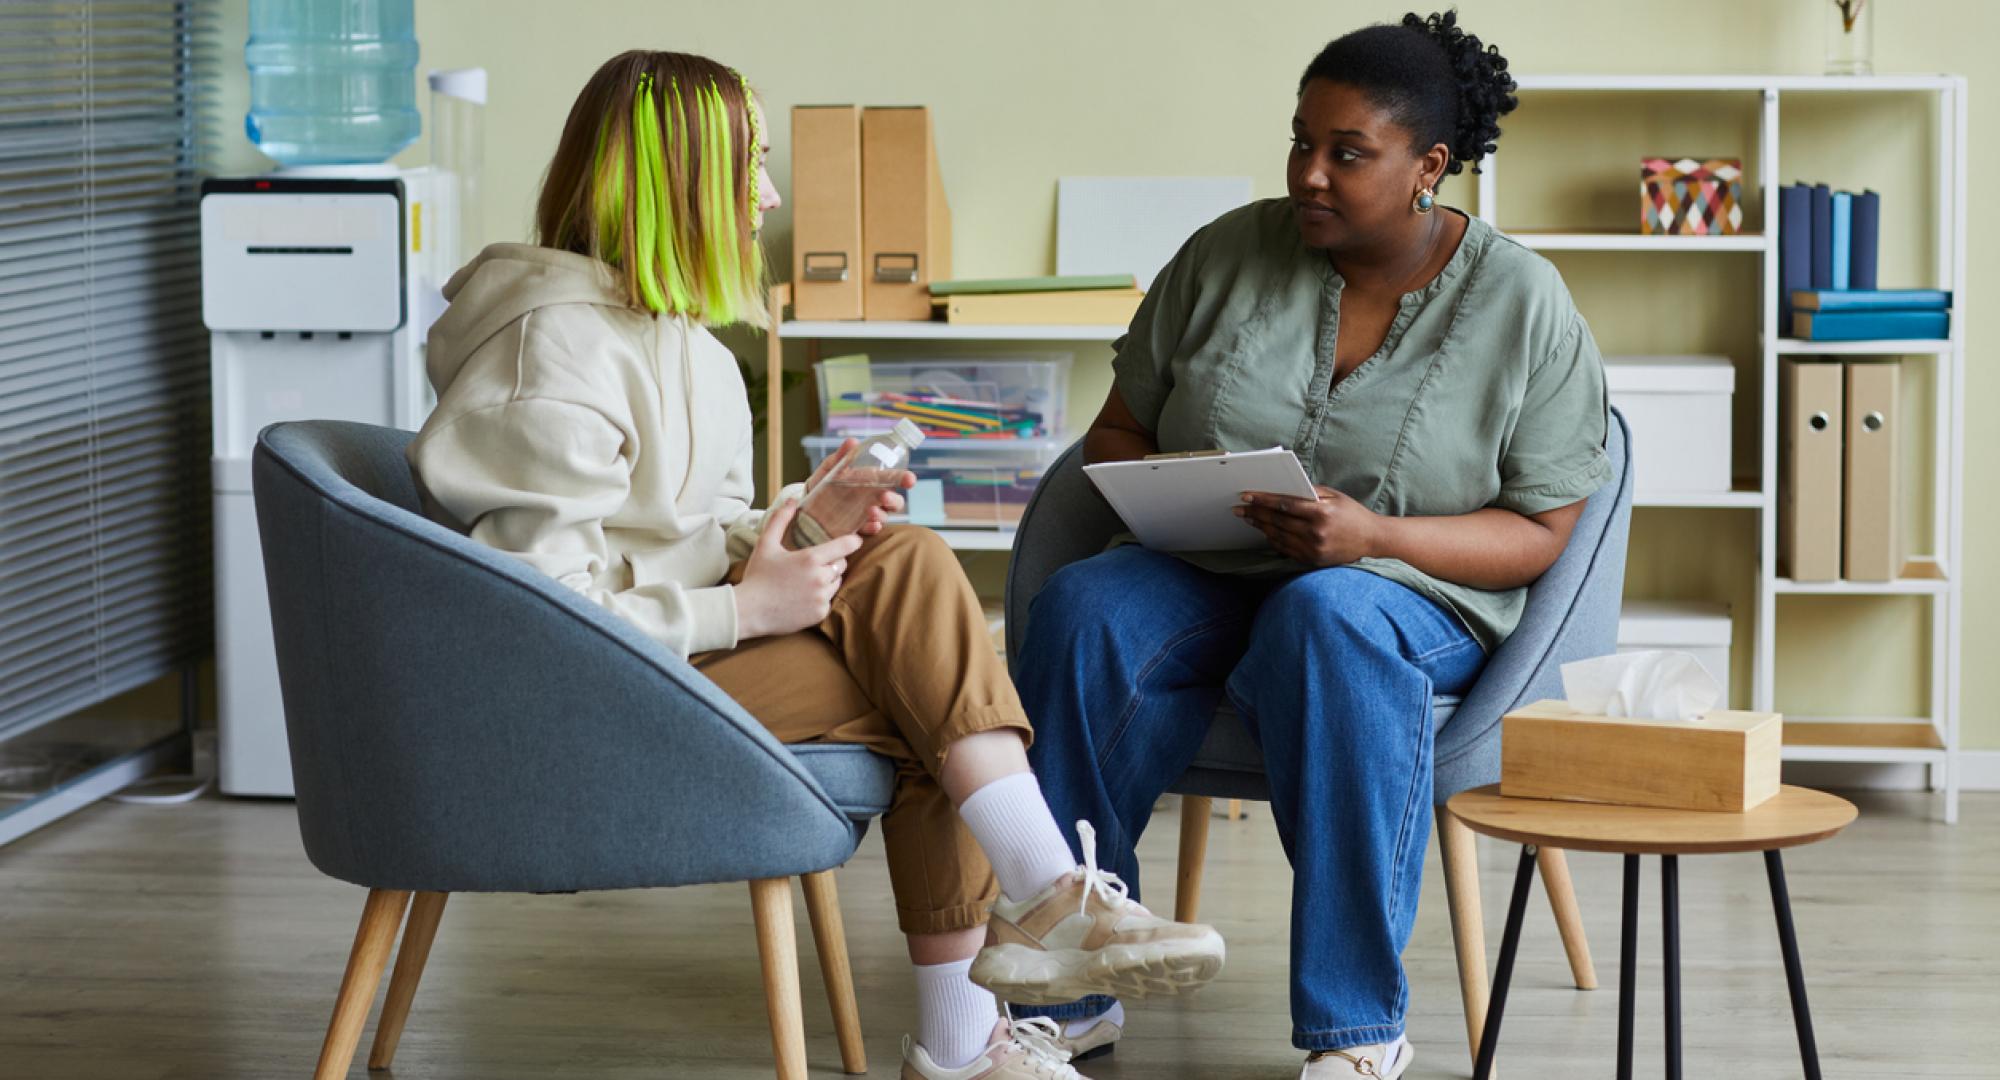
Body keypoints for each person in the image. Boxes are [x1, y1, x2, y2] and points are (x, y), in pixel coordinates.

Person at [404, 49, 1223, 1080]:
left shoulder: (685, 344)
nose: (771, 194)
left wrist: (787, 531)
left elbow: (672, 536)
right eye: (749, 166)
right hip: (566, 700)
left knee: (917, 615)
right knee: (932, 691)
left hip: (660, 663)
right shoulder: (549, 358)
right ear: (680, 182)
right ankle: (1011, 965)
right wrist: (745, 611)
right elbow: (534, 618)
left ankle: (1019, 950)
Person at [1011, 13, 1612, 1080]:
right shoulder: (1223, 254)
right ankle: (1074, 990)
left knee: (1324, 617)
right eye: (1299, 142)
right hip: (1208, 569)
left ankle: (1356, 1029)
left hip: (1408, 597)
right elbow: (1117, 429)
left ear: (1428, 165)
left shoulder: (1523, 301)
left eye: (1346, 153)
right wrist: (1165, 499)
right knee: (1084, 607)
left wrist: (1370, 536)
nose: (1309, 174)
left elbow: (1540, 532)